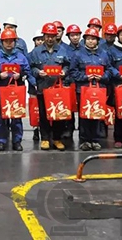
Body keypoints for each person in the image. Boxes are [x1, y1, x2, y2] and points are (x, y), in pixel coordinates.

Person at [0, 28, 34, 151]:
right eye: (6, 41)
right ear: (2, 42)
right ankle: (1, 141)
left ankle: (17, 141)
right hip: (0, 90)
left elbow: (27, 71)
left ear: (15, 42)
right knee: (1, 117)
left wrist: (21, 75)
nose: (9, 43)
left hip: (16, 91)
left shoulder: (21, 57)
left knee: (16, 116)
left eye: (11, 41)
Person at [70, 28, 113, 151]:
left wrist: (102, 77)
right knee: (84, 115)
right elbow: (73, 71)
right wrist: (85, 77)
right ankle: (84, 140)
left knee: (97, 114)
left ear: (97, 40)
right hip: (83, 89)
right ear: (84, 40)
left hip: (99, 89)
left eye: (93, 39)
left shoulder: (104, 54)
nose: (90, 41)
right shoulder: (78, 54)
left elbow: (109, 70)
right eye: (88, 39)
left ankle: (95, 140)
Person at [29, 23, 69, 151]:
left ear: (56, 36)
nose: (50, 38)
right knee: (43, 114)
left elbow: (67, 65)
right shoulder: (36, 52)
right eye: (47, 36)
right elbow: (31, 67)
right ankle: (45, 139)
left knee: (58, 114)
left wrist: (64, 72)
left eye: (52, 36)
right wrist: (38, 72)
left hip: (58, 88)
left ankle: (57, 139)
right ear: (44, 36)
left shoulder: (62, 50)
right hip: (43, 88)